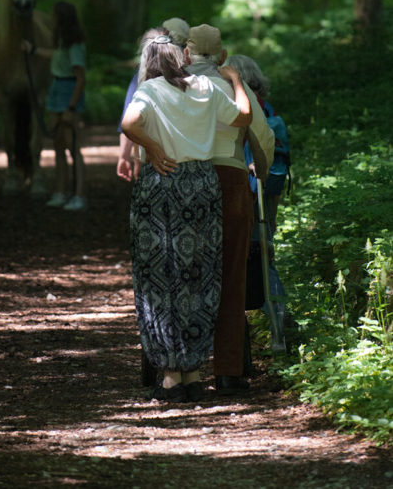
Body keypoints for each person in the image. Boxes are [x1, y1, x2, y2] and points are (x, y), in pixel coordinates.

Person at [121, 29, 252, 403]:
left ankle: (170, 377)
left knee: (160, 276)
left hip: (161, 184)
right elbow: (243, 117)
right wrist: (236, 79)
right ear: (183, 57)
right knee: (200, 274)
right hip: (201, 184)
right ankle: (194, 372)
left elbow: (129, 124)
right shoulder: (206, 88)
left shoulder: (150, 90)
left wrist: (153, 146)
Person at [184, 25, 275, 396]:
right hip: (232, 180)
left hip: (186, 183)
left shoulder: (172, 88)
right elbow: (263, 139)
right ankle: (228, 371)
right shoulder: (234, 88)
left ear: (186, 55)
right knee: (232, 274)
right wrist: (262, 176)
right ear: (222, 57)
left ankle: (183, 366)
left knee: (187, 273)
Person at [226, 54, 290, 345]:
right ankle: (277, 314)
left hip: (248, 190)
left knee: (253, 255)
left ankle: (274, 317)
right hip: (269, 191)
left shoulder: (240, 106)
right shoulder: (268, 107)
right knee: (265, 252)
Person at [22, 1, 87, 211]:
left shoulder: (75, 44)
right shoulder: (62, 43)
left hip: (68, 92)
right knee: (58, 145)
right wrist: (33, 50)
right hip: (57, 89)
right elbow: (55, 55)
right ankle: (60, 192)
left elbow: (80, 78)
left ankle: (79, 195)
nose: (51, 19)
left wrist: (71, 107)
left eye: (55, 16)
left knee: (72, 147)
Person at [116, 18, 190, 183]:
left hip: (152, 161)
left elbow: (128, 121)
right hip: (191, 165)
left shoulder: (143, 79)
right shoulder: (195, 80)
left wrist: (126, 156)